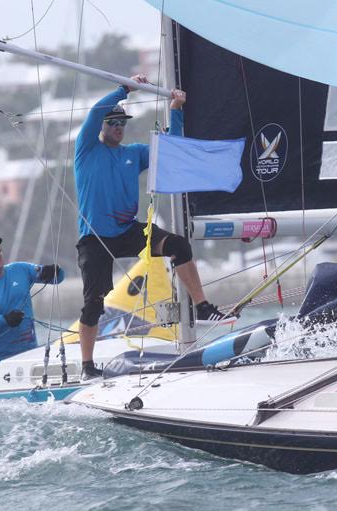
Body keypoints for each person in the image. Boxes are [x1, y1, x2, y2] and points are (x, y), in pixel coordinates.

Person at [74, 74, 232, 380]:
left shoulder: (132, 154)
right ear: (102, 127)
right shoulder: (86, 150)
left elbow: (170, 148)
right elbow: (95, 112)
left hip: (128, 231)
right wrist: (125, 90)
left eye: (122, 124)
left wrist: (176, 108)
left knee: (179, 246)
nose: (118, 128)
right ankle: (87, 367)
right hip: (94, 239)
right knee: (93, 304)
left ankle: (201, 306)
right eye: (112, 123)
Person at [0, 236, 65, 368]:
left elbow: (58, 278)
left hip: (30, 358)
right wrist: (4, 320)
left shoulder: (20, 269)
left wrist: (55, 271)